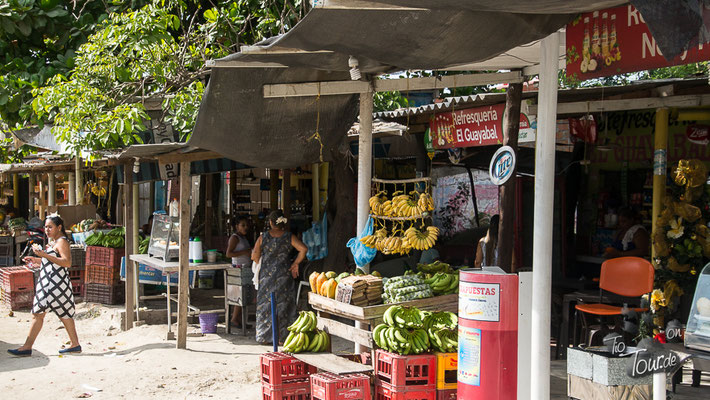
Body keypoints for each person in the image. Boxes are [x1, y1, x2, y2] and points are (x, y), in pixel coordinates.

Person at [8, 214, 81, 356]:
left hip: (53, 286)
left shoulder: (62, 242)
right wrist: (37, 260)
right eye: (45, 227)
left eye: (50, 227)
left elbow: (66, 262)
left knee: (38, 314)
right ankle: (75, 344)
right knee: (64, 314)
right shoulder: (55, 242)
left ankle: (27, 347)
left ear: (59, 227)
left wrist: (44, 255)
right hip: (57, 285)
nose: (47, 230)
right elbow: (53, 262)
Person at [252, 210, 307, 344]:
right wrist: (295, 263)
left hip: (266, 277)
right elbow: (303, 249)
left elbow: (254, 256)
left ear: (271, 222)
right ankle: (283, 338)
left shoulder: (263, 237)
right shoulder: (289, 237)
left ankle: (265, 337)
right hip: (284, 275)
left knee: (266, 306)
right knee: (284, 306)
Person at [226, 216, 252, 328]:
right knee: (240, 296)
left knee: (244, 295)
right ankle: (234, 319)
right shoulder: (235, 238)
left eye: (246, 225)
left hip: (245, 269)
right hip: (238, 269)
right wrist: (244, 252)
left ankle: (238, 320)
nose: (245, 227)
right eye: (243, 225)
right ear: (237, 226)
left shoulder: (244, 238)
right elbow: (229, 254)